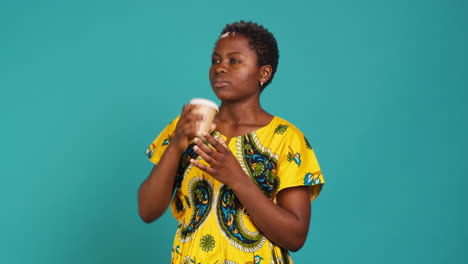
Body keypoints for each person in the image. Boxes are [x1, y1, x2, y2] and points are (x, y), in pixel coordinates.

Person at [138, 21, 324, 264]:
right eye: (216, 60)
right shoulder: (186, 126)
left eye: (234, 61)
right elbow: (147, 211)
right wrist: (175, 146)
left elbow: (295, 237)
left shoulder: (286, 138)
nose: (220, 69)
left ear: (263, 73)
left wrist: (237, 178)